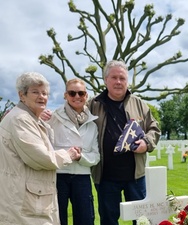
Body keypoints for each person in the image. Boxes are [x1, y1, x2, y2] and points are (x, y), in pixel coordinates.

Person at [0, 72, 81, 225]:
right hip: (24, 204)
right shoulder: (20, 119)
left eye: (44, 93)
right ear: (22, 95)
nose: (42, 96)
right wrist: (68, 154)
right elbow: (40, 157)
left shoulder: (31, 118)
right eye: (35, 92)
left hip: (29, 200)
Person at [88, 60, 161, 225]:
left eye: (122, 78)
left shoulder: (139, 104)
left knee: (141, 220)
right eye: (114, 77)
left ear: (127, 81)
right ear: (106, 80)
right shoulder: (93, 104)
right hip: (106, 176)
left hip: (135, 176)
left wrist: (146, 143)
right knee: (108, 220)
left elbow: (154, 129)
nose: (118, 82)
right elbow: (76, 115)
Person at [47, 78, 100, 225]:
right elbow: (45, 148)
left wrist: (80, 157)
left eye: (81, 93)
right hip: (58, 176)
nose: (77, 97)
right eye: (72, 93)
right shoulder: (52, 118)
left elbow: (95, 156)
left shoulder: (92, 125)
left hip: (82, 177)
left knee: (85, 219)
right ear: (65, 95)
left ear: (86, 95)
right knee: (57, 220)